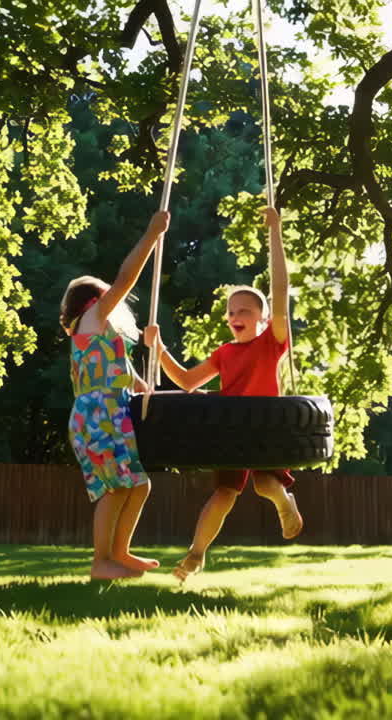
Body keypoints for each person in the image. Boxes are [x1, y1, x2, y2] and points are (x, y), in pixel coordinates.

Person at [144, 207, 302, 581]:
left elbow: (280, 291)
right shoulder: (224, 353)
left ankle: (286, 503)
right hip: (232, 430)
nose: (235, 316)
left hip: (264, 426)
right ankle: (197, 554)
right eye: (231, 311)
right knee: (224, 494)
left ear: (263, 320)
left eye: (244, 310)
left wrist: (275, 233)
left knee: (265, 484)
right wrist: (159, 348)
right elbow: (185, 381)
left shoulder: (271, 343)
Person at [60, 211, 169, 580]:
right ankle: (100, 562)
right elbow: (127, 277)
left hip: (107, 412)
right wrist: (151, 235)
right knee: (115, 488)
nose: (116, 300)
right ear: (92, 301)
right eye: (107, 296)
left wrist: (141, 386)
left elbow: (119, 370)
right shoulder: (91, 319)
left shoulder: (97, 335)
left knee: (136, 485)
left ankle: (118, 553)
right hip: (99, 414)